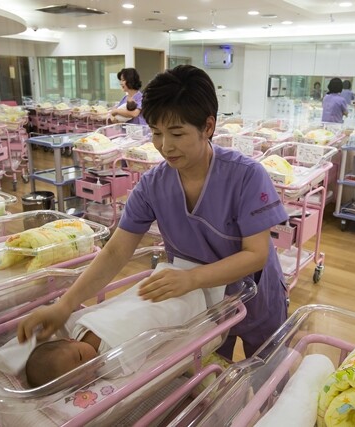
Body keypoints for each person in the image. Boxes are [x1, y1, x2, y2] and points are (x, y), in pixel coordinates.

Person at [18, 65, 289, 360]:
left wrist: (193, 278)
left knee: (267, 373)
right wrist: (65, 305)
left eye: (176, 133)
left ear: (208, 127)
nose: (164, 146)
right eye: (157, 133)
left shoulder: (246, 176)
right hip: (198, 305)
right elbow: (115, 252)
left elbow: (256, 254)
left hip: (255, 296)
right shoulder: (154, 184)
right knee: (213, 381)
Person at [24, 267, 207, 387]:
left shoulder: (80, 328)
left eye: (79, 356)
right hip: (149, 320)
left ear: (70, 340)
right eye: (80, 376)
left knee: (143, 298)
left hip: (135, 307)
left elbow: (115, 311)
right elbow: (141, 347)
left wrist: (63, 306)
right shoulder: (112, 367)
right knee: (168, 310)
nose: (87, 364)